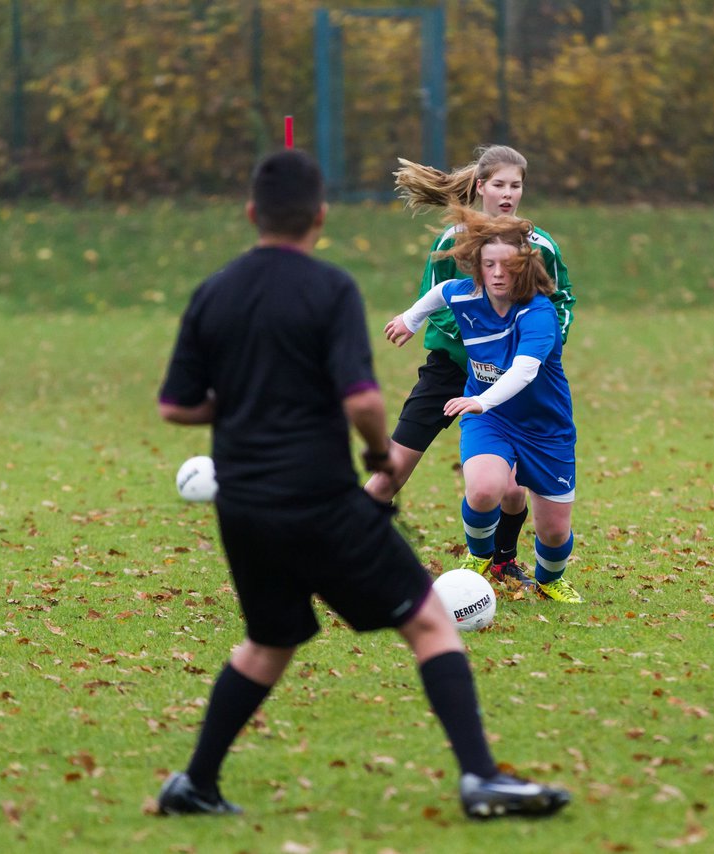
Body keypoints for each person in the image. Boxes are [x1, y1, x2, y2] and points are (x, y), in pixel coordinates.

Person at [154, 149, 570, 819]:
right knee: (432, 624)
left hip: (243, 505)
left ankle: (194, 783)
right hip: (318, 500)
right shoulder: (329, 289)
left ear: (251, 213)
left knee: (267, 644)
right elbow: (363, 402)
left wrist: (239, 405)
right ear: (319, 217)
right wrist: (379, 455)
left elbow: (175, 407)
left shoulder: (214, 292)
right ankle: (481, 779)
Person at [365, 146, 575, 589]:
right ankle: (342, 546)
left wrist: (543, 346)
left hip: (506, 381)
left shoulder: (538, 244)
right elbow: (440, 298)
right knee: (393, 470)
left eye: (515, 185)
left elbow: (561, 302)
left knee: (512, 487)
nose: (507, 194)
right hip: (451, 370)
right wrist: (481, 336)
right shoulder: (452, 241)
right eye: (498, 184)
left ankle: (499, 559)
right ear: (480, 187)